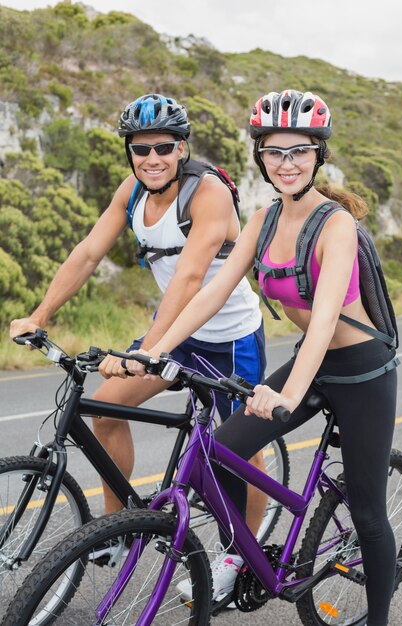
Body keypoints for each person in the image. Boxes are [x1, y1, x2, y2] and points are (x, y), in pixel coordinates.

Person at [125, 90, 398, 625]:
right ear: (260, 158)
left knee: (367, 513)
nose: (287, 163)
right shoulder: (264, 221)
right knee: (219, 451)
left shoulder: (336, 224)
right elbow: (210, 292)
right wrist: (151, 350)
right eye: (275, 152)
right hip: (311, 362)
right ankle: (241, 557)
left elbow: (323, 318)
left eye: (299, 151)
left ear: (319, 155)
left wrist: (289, 392)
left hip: (362, 369)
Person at [9, 93, 268, 553]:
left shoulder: (207, 193)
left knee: (237, 454)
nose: (152, 158)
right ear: (129, 151)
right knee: (106, 412)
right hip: (175, 332)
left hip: (229, 337)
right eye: (141, 149)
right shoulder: (130, 193)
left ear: (182, 149)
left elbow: (190, 278)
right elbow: (89, 252)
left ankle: (242, 556)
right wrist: (39, 315)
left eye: (164, 147)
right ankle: (117, 527)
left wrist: (147, 350)